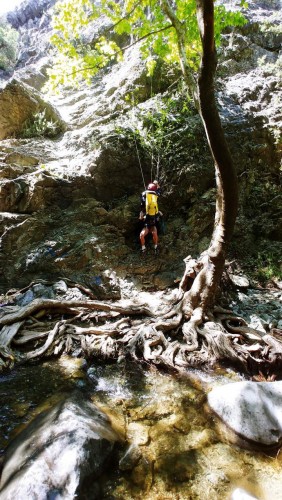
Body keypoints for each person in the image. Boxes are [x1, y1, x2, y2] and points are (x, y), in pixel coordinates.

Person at [139, 180, 162, 254]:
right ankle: (148, 248)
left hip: (150, 225)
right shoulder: (155, 194)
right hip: (149, 225)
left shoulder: (145, 194)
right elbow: (159, 191)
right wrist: (157, 186)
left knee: (150, 234)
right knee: (145, 235)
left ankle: (151, 248)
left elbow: (142, 202)